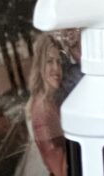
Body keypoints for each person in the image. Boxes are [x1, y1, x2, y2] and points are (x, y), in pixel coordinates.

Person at [27, 33, 67, 176]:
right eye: (50, 61)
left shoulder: (50, 102)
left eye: (58, 62)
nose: (56, 68)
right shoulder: (43, 111)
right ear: (40, 66)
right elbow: (60, 171)